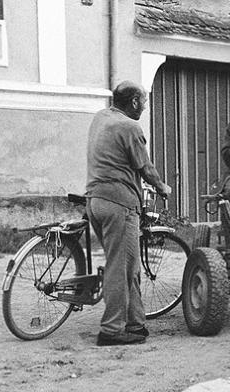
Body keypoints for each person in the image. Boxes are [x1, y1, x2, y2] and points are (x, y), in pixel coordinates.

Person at [85, 81, 171, 346]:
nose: (145, 107)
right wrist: (162, 187)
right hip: (119, 204)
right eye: (143, 102)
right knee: (120, 268)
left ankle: (136, 323)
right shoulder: (130, 127)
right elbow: (144, 167)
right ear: (134, 102)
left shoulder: (101, 118)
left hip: (95, 201)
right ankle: (111, 330)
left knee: (129, 264)